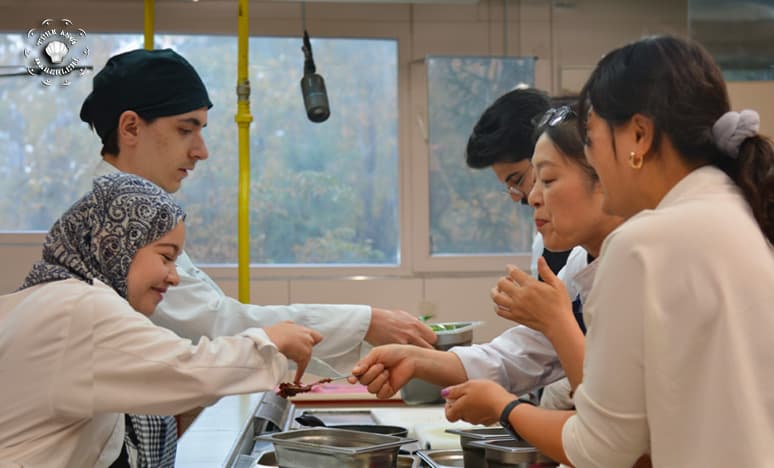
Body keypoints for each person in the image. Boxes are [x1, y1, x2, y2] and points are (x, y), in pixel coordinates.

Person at [78, 48, 435, 465]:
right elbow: (212, 326)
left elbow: (209, 321)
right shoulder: (113, 220)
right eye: (185, 130)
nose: (201, 150)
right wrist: (364, 321)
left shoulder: (132, 211)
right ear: (131, 127)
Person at [443, 35, 774, 467]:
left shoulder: (643, 244)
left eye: (592, 139)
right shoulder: (733, 209)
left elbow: (603, 448)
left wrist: (505, 407)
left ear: (638, 136)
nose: (592, 161)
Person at [0, 173, 322, 468]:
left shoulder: (40, 299)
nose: (174, 277)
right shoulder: (81, 306)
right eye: (166, 256)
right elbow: (189, 371)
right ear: (115, 244)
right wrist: (270, 342)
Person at [349, 101, 612, 408]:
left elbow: (614, 421)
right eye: (535, 181)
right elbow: (514, 356)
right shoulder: (580, 262)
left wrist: (508, 410)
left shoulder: (638, 266)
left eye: (548, 180)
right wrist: (414, 359)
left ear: (605, 178)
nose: (532, 198)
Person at [466, 88, 574, 277]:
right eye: (509, 189)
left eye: (517, 180)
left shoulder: (617, 245)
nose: (526, 198)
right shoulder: (546, 243)